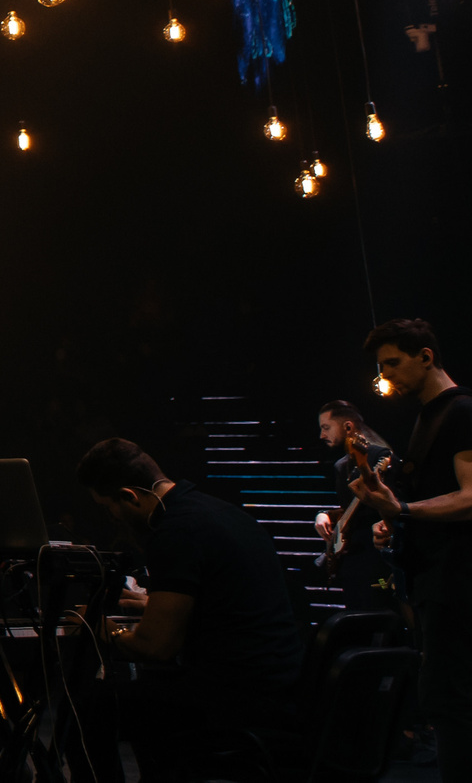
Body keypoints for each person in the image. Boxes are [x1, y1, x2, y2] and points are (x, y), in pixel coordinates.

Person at [76, 438, 304, 783]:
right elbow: (225, 599)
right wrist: (158, 604)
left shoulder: (175, 530)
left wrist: (97, 627)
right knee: (146, 692)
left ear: (130, 496)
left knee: (91, 708)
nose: (112, 517)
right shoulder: (222, 512)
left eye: (109, 507)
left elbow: (156, 646)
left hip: (237, 699)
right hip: (279, 683)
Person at [347, 318, 472, 779]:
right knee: (443, 697)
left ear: (426, 357)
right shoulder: (428, 415)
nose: (387, 375)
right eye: (382, 366)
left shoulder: (460, 412)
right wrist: (392, 518)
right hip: (436, 580)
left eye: (393, 363)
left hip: (456, 582)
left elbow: (471, 497)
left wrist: (403, 511)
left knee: (451, 699)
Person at [311, 399, 398, 605]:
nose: (322, 435)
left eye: (326, 428)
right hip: (351, 560)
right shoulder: (341, 466)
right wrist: (325, 514)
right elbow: (347, 508)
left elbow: (393, 505)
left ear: (348, 426)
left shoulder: (380, 456)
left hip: (376, 557)